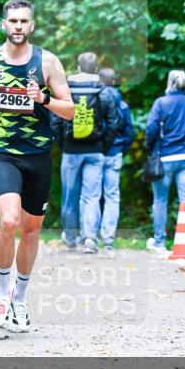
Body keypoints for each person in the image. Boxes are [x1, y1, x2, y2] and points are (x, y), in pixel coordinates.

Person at [0, 0, 74, 333]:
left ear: (31, 25)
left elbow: (70, 110)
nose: (18, 26)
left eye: (24, 21)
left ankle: (20, 298)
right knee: (9, 220)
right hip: (2, 151)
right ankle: (2, 295)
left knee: (31, 230)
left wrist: (43, 99)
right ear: (4, 24)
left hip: (37, 154)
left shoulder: (47, 61)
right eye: (13, 21)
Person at [50, 53, 121, 254]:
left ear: (79, 68)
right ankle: (90, 239)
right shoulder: (103, 91)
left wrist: (63, 144)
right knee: (91, 196)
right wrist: (103, 146)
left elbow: (55, 120)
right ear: (96, 70)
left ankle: (71, 238)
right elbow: (113, 122)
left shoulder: (66, 89)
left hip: (71, 151)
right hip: (95, 151)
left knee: (69, 197)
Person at [145, 70, 185, 253]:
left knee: (160, 200)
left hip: (165, 157)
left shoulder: (161, 103)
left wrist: (150, 147)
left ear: (169, 83)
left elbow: (151, 129)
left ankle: (159, 243)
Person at [96, 68, 134, 251]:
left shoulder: (94, 100)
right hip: (115, 153)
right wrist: (121, 149)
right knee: (112, 195)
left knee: (91, 195)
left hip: (95, 152)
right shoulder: (123, 105)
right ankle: (108, 238)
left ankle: (89, 235)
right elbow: (129, 132)